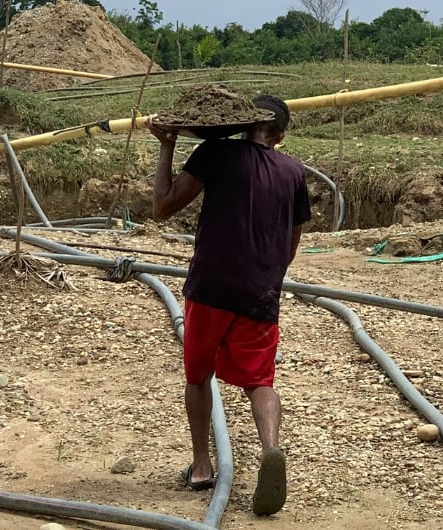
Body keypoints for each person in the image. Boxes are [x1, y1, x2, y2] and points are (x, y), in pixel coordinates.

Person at [147, 94, 311, 517]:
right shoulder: (294, 173)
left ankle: (202, 467)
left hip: (211, 286)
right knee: (260, 380)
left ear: (242, 124)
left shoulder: (215, 152)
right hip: (261, 291)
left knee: (198, 374)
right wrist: (264, 274)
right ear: (279, 135)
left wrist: (166, 145)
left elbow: (163, 206)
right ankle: (271, 449)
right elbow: (290, 248)